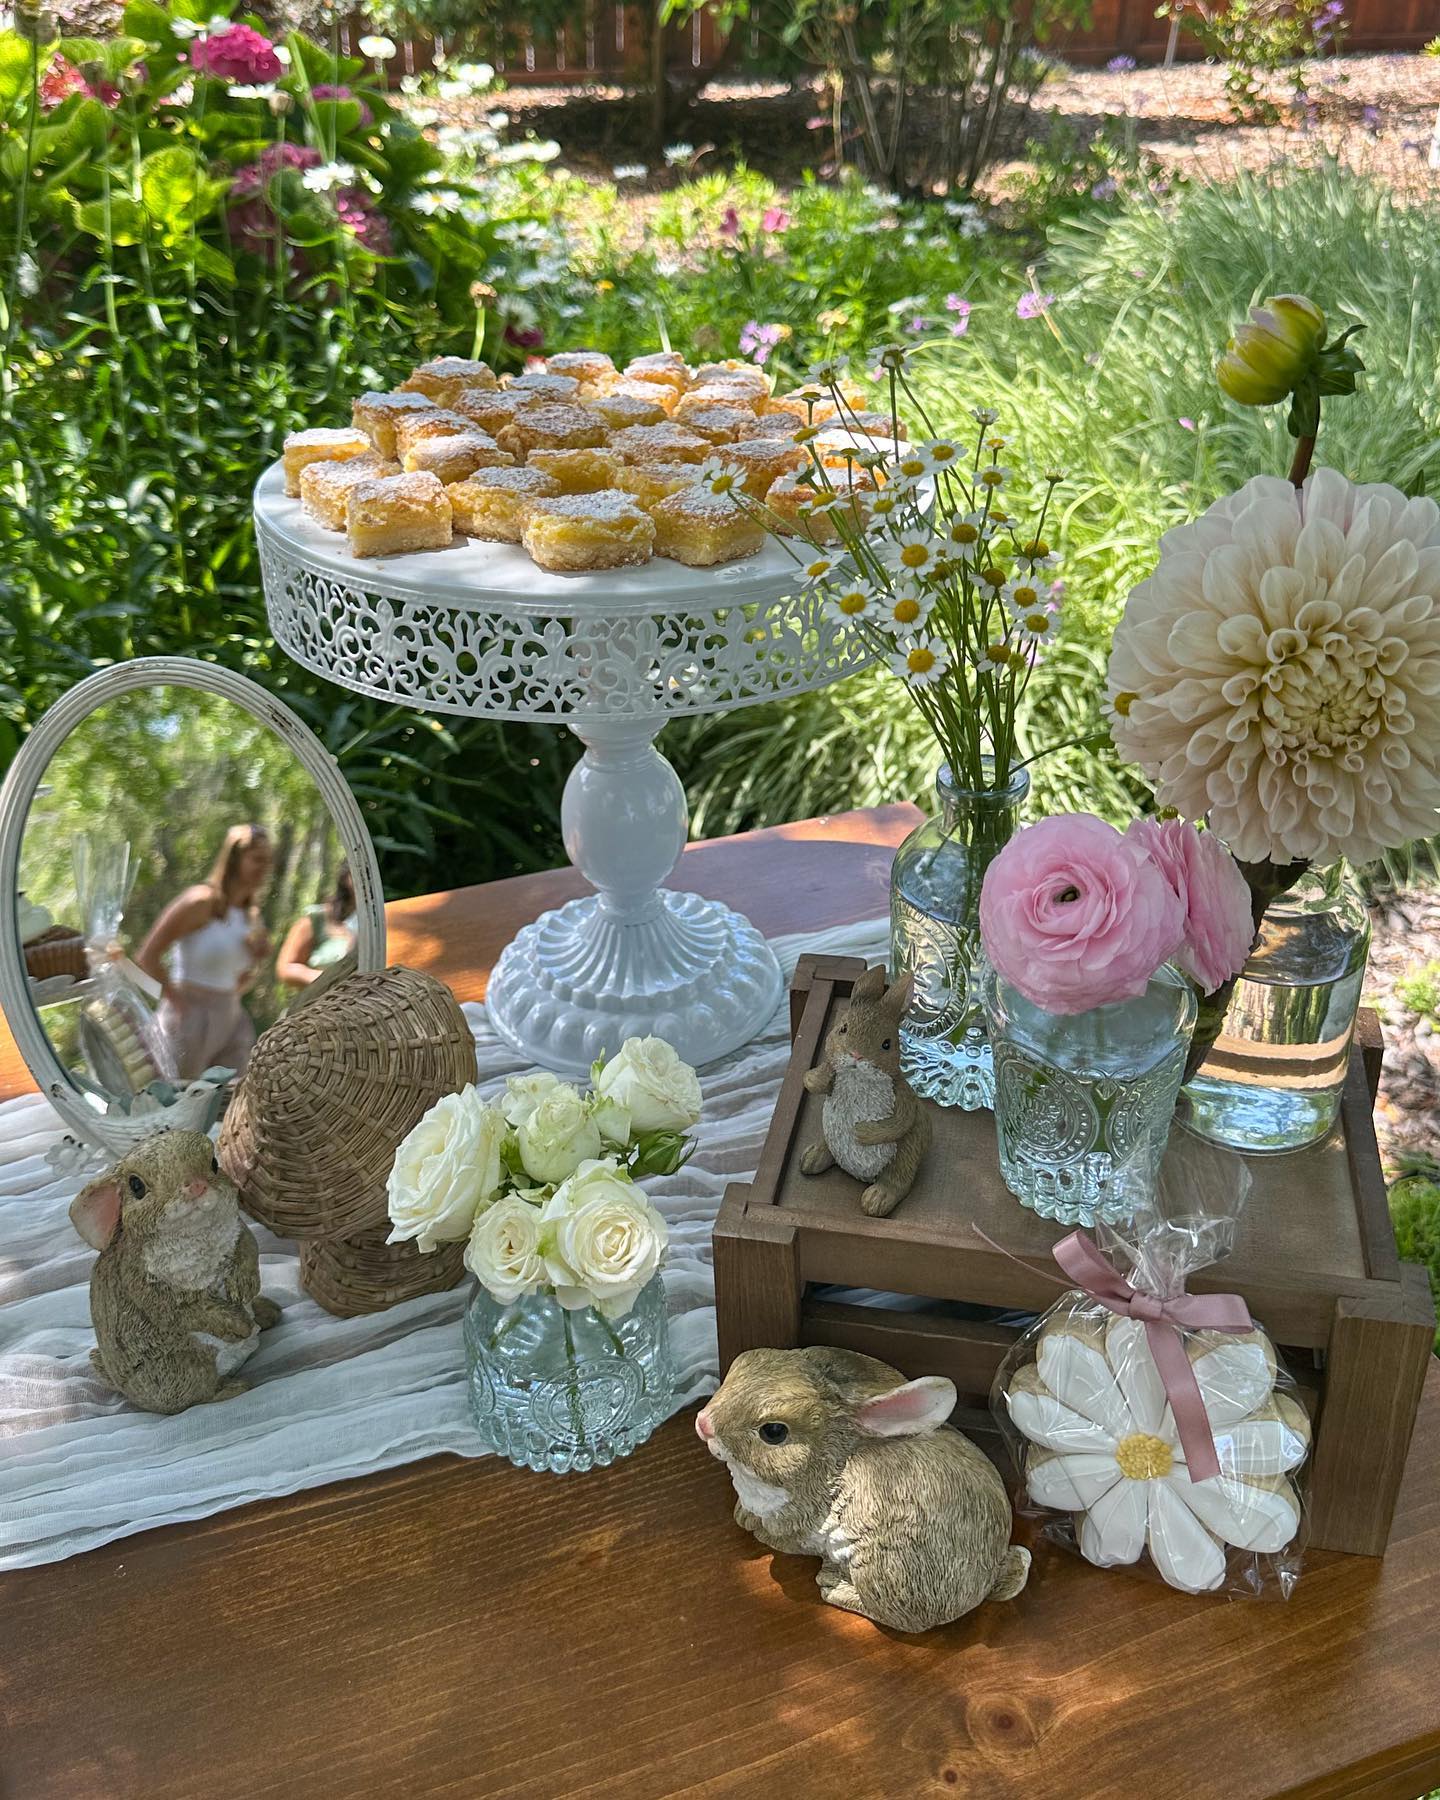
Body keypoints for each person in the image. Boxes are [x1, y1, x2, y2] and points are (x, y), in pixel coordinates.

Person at [135, 824, 273, 1080]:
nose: (264, 868)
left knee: (229, 1104)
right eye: (257, 859)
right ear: (235, 859)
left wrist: (256, 959)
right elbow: (147, 956)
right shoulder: (200, 901)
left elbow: (240, 978)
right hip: (188, 1014)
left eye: (268, 861)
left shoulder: (250, 915)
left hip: (231, 1017)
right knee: (173, 1100)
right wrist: (174, 998)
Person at [276, 862, 357, 989]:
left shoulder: (380, 921)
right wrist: (327, 980)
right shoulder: (318, 918)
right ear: (346, 876)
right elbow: (286, 968)